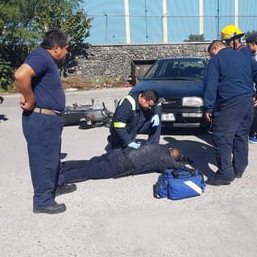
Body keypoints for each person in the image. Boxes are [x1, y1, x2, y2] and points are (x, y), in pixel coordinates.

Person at [14, 29, 76, 215]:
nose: (67, 52)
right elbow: (20, 75)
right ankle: (42, 201)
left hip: (49, 119)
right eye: (66, 48)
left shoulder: (45, 59)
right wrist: (29, 98)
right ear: (56, 47)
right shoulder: (41, 57)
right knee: (43, 160)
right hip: (41, 119)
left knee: (52, 157)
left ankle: (56, 185)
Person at [203, 30, 257, 186]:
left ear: (214, 49)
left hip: (229, 103)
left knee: (221, 137)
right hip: (247, 102)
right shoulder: (244, 56)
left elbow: (210, 85)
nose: (211, 57)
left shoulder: (216, 60)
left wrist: (208, 108)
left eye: (211, 54)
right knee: (240, 135)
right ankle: (239, 169)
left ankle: (225, 173)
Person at [62, 144, 192, 183]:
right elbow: (175, 165)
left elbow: (173, 154)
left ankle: (63, 166)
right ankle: (60, 179)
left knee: (90, 162)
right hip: (121, 164)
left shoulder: (158, 146)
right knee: (90, 172)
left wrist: (183, 157)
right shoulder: (165, 158)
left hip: (117, 152)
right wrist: (187, 168)